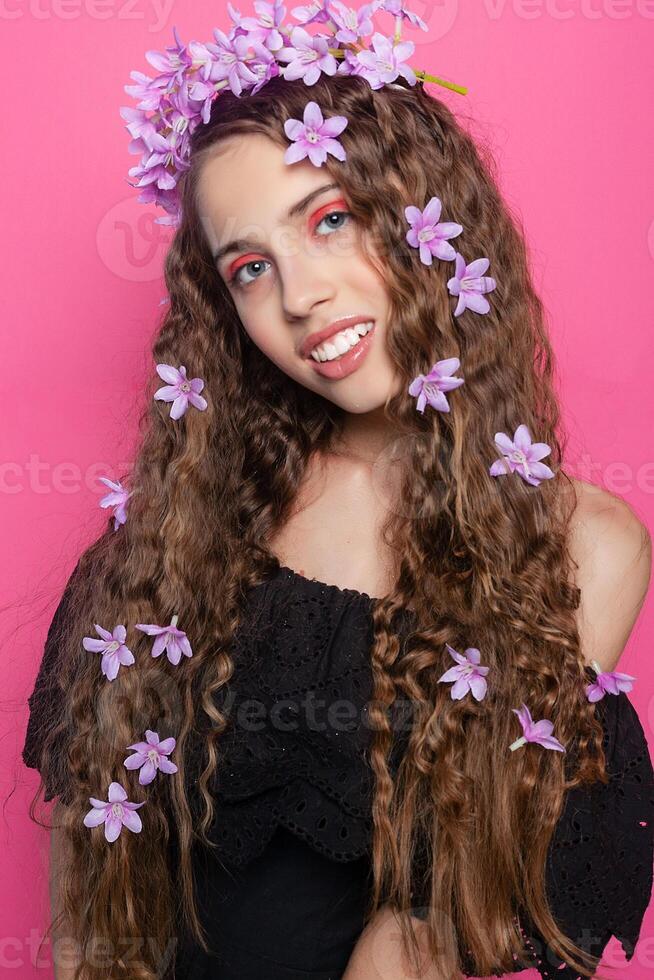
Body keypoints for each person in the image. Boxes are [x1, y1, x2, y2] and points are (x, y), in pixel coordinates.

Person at [22, 5, 653, 980]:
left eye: (330, 220)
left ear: (427, 217)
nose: (301, 295)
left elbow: (434, 923)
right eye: (250, 267)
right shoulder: (170, 547)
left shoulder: (583, 549)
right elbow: (91, 900)